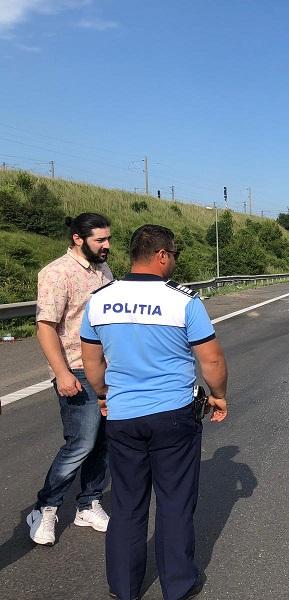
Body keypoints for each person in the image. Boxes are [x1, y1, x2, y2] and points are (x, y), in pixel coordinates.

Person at [80, 224, 228, 600]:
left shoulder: (99, 299)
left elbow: (91, 360)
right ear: (162, 255)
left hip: (123, 415)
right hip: (173, 415)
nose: (174, 261)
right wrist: (219, 395)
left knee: (128, 504)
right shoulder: (183, 301)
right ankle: (177, 585)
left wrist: (102, 395)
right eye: (174, 254)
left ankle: (124, 587)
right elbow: (210, 359)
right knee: (175, 503)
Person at [27, 213, 113, 546]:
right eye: (100, 240)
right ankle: (45, 507)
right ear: (78, 238)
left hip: (105, 368)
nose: (106, 246)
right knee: (80, 443)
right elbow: (45, 326)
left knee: (103, 441)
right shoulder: (56, 273)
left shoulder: (103, 270)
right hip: (76, 368)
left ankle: (88, 503)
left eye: (108, 239)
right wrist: (61, 373)